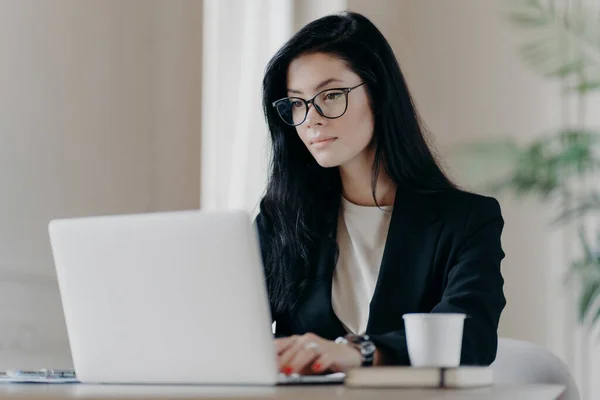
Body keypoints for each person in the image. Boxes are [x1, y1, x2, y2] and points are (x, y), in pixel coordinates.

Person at [254, 11, 506, 376]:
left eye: (331, 95)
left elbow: (471, 336)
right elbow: (232, 330)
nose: (311, 118)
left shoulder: (466, 221)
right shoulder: (280, 219)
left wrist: (363, 353)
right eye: (296, 102)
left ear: (378, 92)